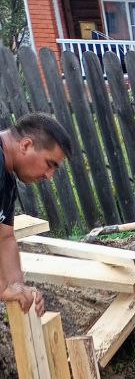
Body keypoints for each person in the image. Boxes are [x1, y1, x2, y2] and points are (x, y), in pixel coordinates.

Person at [0, 112, 73, 316]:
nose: (49, 176)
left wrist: (19, 289)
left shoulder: (7, 182)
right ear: (25, 145)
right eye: (50, 164)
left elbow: (5, 238)